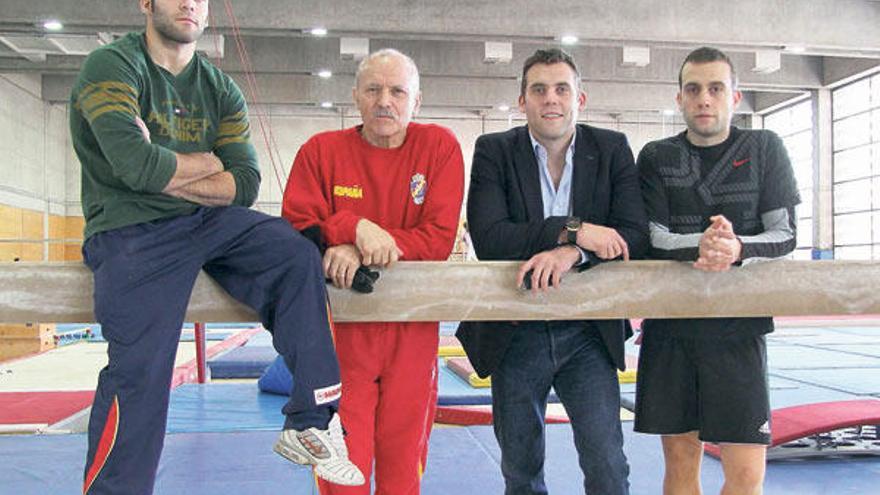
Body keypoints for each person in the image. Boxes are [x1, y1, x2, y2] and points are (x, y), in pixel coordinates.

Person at [69, 1, 363, 493]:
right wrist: (206, 164)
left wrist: (163, 168)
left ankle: (309, 420)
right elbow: (131, 164)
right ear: (146, 3)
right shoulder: (113, 66)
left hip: (209, 223)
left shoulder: (219, 88)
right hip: (131, 228)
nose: (190, 4)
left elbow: (244, 182)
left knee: (293, 254)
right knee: (139, 375)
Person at [456, 48, 647, 494]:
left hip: (588, 333)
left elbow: (633, 234)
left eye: (562, 89)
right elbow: (490, 239)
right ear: (522, 101)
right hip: (516, 327)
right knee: (520, 470)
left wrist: (571, 254)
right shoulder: (494, 150)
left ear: (580, 98)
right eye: (538, 90)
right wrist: (575, 231)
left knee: (607, 465)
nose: (551, 99)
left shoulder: (612, 148)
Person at [282, 49, 465, 494]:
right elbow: (294, 228)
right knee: (342, 469)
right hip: (338, 336)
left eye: (397, 91)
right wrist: (351, 226)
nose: (385, 100)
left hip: (412, 332)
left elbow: (438, 240)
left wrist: (358, 245)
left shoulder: (439, 147)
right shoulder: (320, 152)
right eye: (374, 90)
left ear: (416, 102)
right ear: (355, 97)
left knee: (403, 470)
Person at [635, 46, 800, 495]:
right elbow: (652, 238)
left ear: (735, 97)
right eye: (693, 89)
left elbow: (784, 234)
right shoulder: (655, 156)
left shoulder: (765, 147)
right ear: (680, 100)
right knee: (681, 463)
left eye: (715, 88)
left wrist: (737, 247)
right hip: (673, 327)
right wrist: (708, 246)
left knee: (747, 476)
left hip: (739, 329)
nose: (704, 98)